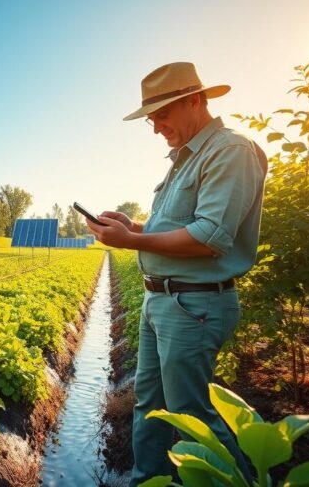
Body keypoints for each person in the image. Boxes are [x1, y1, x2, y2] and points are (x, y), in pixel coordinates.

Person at [85, 62, 267, 486]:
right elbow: (177, 227)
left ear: (195, 101)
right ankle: (146, 479)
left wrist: (131, 241)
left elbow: (210, 236)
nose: (156, 128)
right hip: (162, 301)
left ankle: (237, 481)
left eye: (162, 115)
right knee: (150, 405)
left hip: (194, 304)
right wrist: (134, 227)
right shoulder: (184, 158)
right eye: (151, 119)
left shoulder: (230, 150)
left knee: (191, 414)